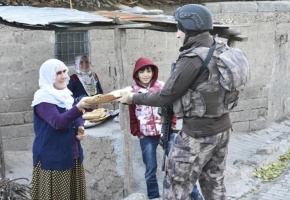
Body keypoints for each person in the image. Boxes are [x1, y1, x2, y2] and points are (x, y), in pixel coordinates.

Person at [117, 4, 233, 200]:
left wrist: (132, 98)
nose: (177, 34)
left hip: (198, 134)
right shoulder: (221, 48)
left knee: (175, 184)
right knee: (215, 184)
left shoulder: (192, 58)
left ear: (189, 28)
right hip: (222, 130)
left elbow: (164, 97)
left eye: (179, 28)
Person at [129, 57, 203, 200]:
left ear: (153, 72)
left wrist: (172, 124)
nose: (145, 74)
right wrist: (138, 133)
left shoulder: (163, 87)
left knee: (180, 165)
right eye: (142, 71)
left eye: (148, 71)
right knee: (150, 170)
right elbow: (132, 117)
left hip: (167, 132)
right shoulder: (133, 93)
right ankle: (154, 197)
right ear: (136, 74)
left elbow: (172, 107)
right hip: (147, 137)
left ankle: (195, 194)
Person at [31, 59, 91, 200]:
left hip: (72, 155)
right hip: (54, 160)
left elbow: (74, 114)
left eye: (64, 71)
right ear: (48, 76)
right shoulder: (43, 99)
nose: (64, 76)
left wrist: (80, 126)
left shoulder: (65, 94)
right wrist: (79, 107)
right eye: (58, 73)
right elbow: (58, 122)